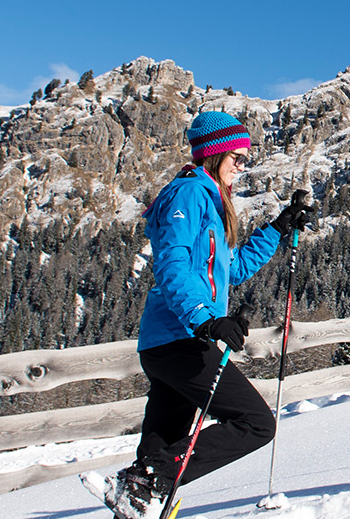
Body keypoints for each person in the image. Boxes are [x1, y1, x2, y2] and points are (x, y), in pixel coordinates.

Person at [84, 111, 315, 519]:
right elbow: (171, 265)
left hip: (171, 341)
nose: (242, 167)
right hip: (180, 339)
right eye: (237, 157)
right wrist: (205, 320)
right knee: (255, 422)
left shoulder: (209, 201)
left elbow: (232, 268)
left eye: (245, 159)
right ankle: (144, 483)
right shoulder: (188, 195)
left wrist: (278, 228)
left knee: (161, 448)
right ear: (214, 153)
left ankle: (140, 494)